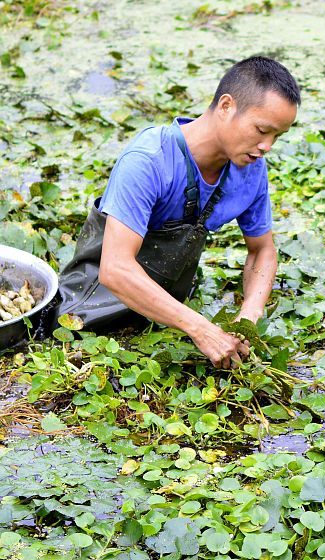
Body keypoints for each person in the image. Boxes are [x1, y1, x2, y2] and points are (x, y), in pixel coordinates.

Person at [52, 56, 300, 369]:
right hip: (91, 311)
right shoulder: (148, 160)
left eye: (277, 136)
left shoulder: (251, 168)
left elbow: (261, 251)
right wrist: (200, 328)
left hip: (167, 317)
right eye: (261, 130)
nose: (267, 146)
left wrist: (247, 317)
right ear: (226, 107)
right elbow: (114, 269)